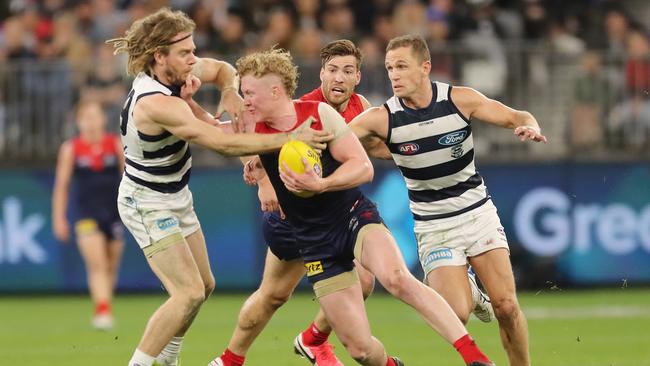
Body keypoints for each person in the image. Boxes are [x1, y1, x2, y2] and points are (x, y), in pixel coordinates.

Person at [210, 47, 494, 366]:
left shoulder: (327, 113)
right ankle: (243, 356)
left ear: (275, 90)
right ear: (321, 73)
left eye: (249, 93)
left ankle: (475, 357)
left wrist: (323, 184)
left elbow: (365, 164)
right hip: (307, 234)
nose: (244, 100)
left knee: (395, 278)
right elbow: (210, 134)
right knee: (353, 346)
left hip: (350, 215)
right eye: (333, 69)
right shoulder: (254, 121)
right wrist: (190, 94)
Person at [105, 8, 331, 366]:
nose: (194, 59)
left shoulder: (176, 69)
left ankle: (168, 358)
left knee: (204, 286)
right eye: (185, 53)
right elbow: (221, 143)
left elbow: (224, 69)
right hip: (146, 201)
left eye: (194, 50)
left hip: (175, 196)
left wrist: (228, 90)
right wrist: (290, 138)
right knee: (188, 292)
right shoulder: (155, 102)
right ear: (159, 56)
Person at [350, 34, 548, 366]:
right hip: (434, 225)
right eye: (389, 68)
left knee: (507, 307)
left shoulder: (460, 100)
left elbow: (518, 115)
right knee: (457, 313)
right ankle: (470, 289)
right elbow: (333, 138)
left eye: (401, 66)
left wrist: (529, 126)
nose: (394, 75)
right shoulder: (382, 118)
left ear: (425, 67)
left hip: (476, 213)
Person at [212, 39, 378, 366]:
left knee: (366, 280)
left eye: (347, 71)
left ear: (358, 76)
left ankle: (314, 340)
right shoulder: (304, 107)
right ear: (321, 74)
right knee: (273, 296)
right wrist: (263, 181)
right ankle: (229, 359)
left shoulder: (361, 107)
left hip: (331, 216)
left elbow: (370, 152)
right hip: (295, 219)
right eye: (332, 70)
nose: (339, 78)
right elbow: (242, 134)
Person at [52, 100, 125, 331]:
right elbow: (61, 186)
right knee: (98, 264)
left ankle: (105, 305)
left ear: (103, 119)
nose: (92, 122)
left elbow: (129, 177)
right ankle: (102, 309)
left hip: (114, 212)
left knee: (112, 263)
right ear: (79, 122)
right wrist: (59, 218)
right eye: (87, 118)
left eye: (96, 116)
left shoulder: (115, 143)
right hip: (85, 214)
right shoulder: (71, 149)